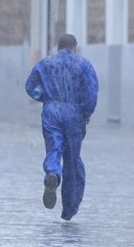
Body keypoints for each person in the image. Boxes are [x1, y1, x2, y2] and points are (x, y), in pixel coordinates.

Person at [25, 34, 99, 220]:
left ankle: (53, 173)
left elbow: (30, 86)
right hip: (74, 113)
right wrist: (86, 113)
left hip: (51, 111)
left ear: (58, 47)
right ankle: (69, 208)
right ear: (75, 46)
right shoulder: (84, 65)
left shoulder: (45, 64)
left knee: (54, 148)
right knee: (73, 159)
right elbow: (90, 93)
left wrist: (45, 97)